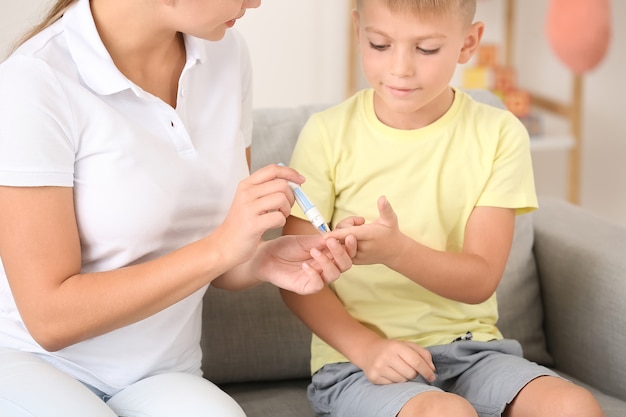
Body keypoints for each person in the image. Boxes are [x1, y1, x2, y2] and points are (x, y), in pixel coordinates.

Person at [0, 0, 357, 416]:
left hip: (162, 374)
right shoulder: (35, 82)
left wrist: (258, 259)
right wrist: (222, 248)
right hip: (35, 365)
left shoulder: (225, 52)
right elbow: (50, 320)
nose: (256, 1)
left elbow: (217, 259)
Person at [280, 0, 604, 416]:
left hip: (472, 352)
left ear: (468, 43)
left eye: (426, 49)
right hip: (359, 364)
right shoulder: (326, 134)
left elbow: (479, 279)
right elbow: (296, 278)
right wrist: (368, 348)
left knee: (572, 407)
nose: (400, 68)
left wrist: (397, 251)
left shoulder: (498, 133)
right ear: (358, 29)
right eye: (380, 44)